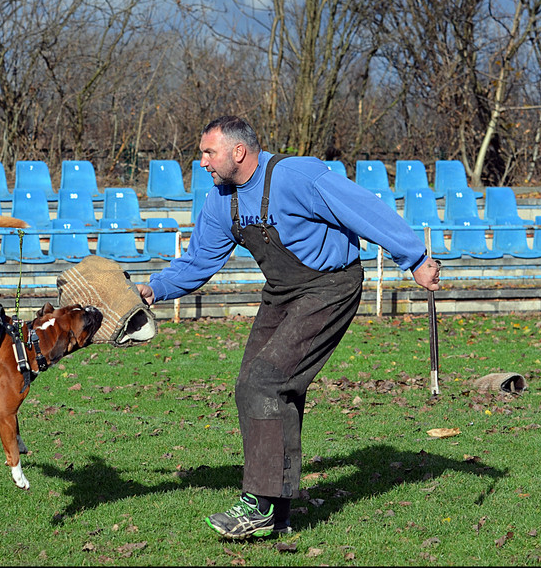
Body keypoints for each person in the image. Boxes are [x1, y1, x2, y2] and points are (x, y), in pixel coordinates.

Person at [136, 116, 442, 540]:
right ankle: (276, 511)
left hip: (330, 286)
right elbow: (198, 261)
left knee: (266, 382)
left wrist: (415, 259)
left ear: (238, 152)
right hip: (282, 291)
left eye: (209, 152)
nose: (202, 161)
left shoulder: (298, 176)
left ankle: (259, 506)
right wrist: (153, 289)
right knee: (255, 384)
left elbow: (364, 210)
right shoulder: (219, 201)